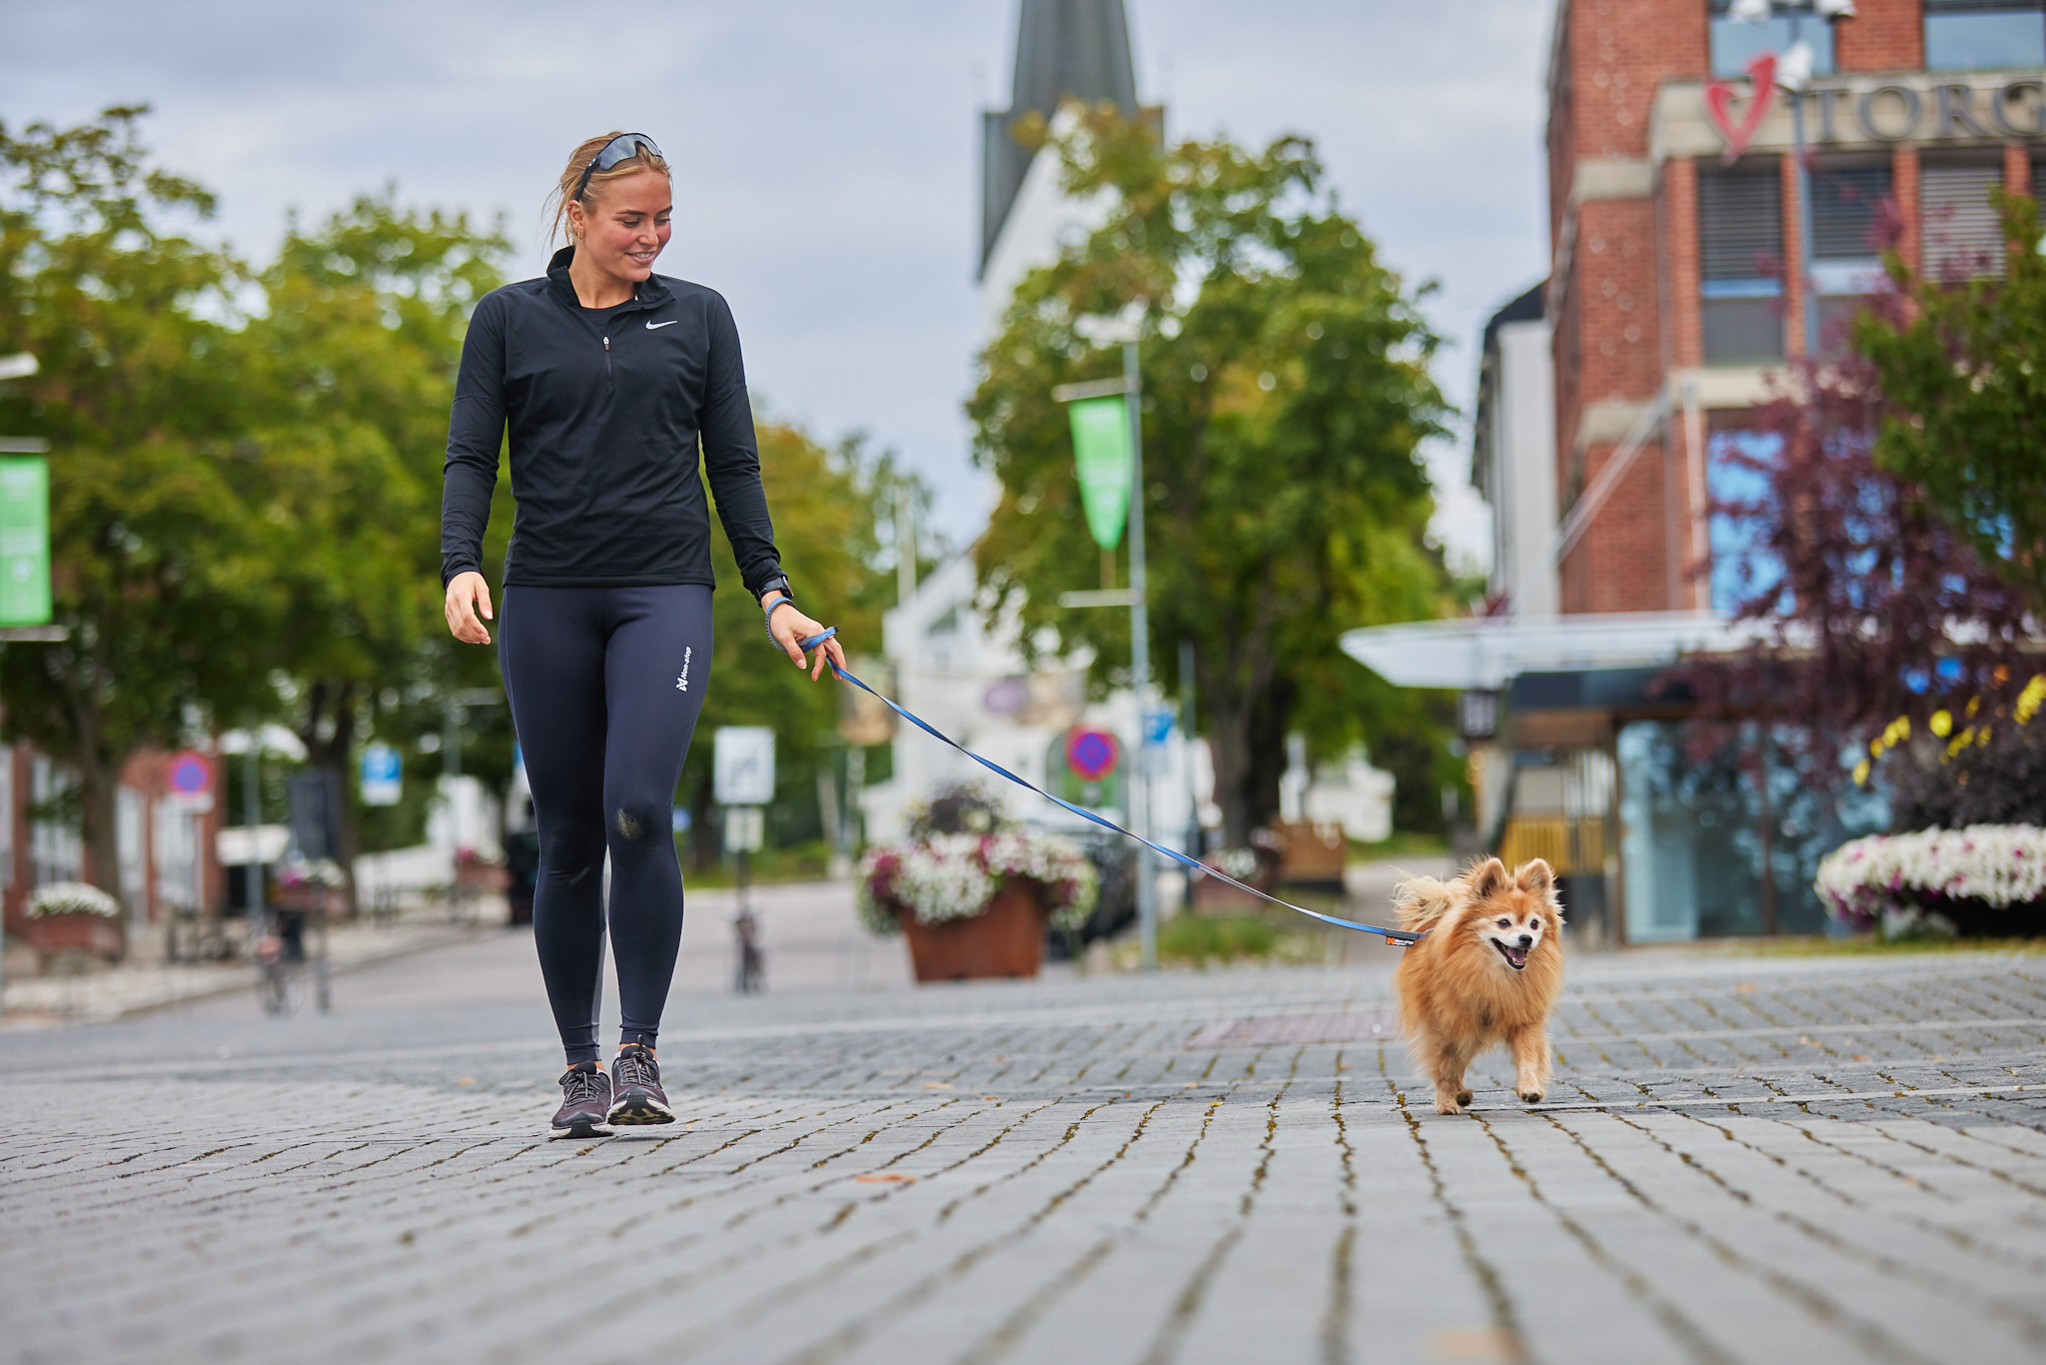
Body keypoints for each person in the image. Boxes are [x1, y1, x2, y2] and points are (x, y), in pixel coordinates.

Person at [440, 132, 845, 1139]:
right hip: (546, 598)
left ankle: (641, 1052)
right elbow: (468, 458)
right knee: (569, 832)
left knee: (635, 811)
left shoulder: (701, 318)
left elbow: (736, 466)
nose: (652, 237)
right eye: (633, 220)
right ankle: (579, 1065)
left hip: (665, 591)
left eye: (665, 218)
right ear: (576, 215)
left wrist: (773, 590)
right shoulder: (506, 320)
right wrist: (460, 563)